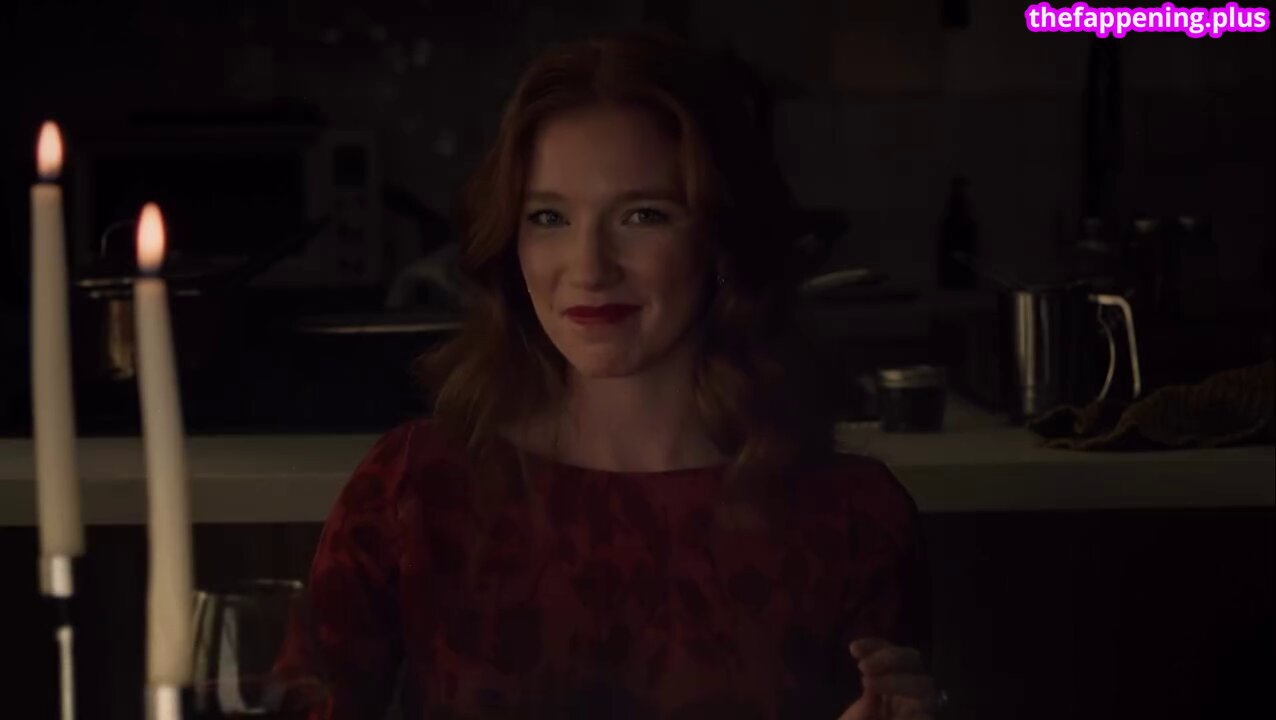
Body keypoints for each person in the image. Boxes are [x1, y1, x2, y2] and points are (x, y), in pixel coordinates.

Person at [305, 30, 940, 719]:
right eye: (549, 217)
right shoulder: (412, 490)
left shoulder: (852, 518)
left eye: (643, 215)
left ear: (722, 238)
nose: (588, 267)